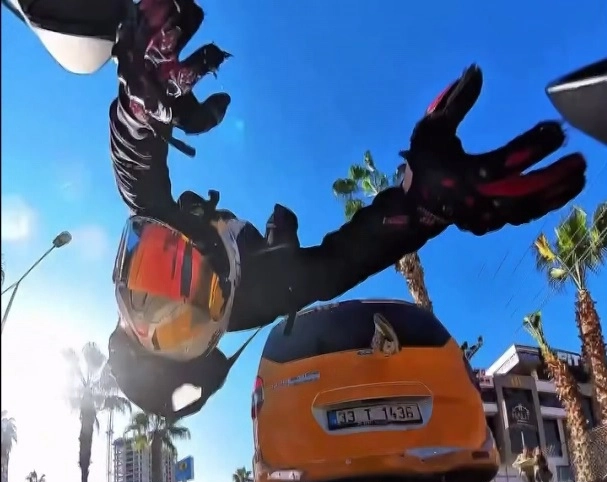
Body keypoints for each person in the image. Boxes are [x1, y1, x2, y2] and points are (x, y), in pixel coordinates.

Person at [6, 0, 588, 419]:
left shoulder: (159, 216)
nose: (184, 259)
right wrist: (426, 202)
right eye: (182, 312)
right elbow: (352, 255)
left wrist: (140, 105)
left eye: (149, 275)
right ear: (217, 329)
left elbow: (136, 170)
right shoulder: (268, 288)